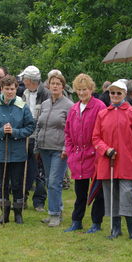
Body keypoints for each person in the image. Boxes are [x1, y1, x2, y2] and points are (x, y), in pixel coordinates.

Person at [92, 80, 132, 243]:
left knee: (127, 194)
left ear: (124, 94)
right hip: (108, 161)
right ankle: (116, 228)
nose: (114, 96)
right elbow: (95, 138)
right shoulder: (102, 114)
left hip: (128, 161)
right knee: (111, 195)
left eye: (118, 93)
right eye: (112, 93)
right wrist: (105, 149)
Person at [0, 75, 35, 224]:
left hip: (18, 152)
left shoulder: (22, 106)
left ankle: (18, 213)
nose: (10, 92)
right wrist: (1, 131)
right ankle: (4, 213)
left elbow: (31, 126)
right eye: (7, 89)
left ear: (16, 89)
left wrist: (15, 132)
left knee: (17, 184)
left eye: (12, 89)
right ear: (1, 89)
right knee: (2, 184)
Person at [63, 74, 105, 233]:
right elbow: (67, 132)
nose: (81, 93)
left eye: (85, 89)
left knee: (97, 191)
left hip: (94, 155)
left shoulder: (99, 107)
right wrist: (70, 150)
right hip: (77, 156)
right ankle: (76, 220)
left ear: (91, 89)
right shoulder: (73, 109)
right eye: (79, 90)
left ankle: (96, 222)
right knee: (80, 192)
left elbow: (103, 131)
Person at [35, 73, 74, 227]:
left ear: (63, 87)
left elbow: (71, 130)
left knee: (53, 182)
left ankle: (54, 214)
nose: (55, 86)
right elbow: (39, 125)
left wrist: (66, 148)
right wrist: (37, 145)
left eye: (58, 83)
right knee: (49, 182)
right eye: (53, 83)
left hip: (59, 150)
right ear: (48, 86)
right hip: (44, 148)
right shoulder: (44, 104)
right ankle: (57, 208)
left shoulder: (69, 105)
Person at [21, 65, 50, 210]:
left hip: (40, 137)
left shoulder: (46, 94)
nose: (23, 81)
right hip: (26, 136)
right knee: (24, 168)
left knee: (40, 170)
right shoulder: (24, 93)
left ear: (31, 80)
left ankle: (39, 201)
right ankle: (23, 197)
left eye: (24, 78)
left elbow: (46, 116)